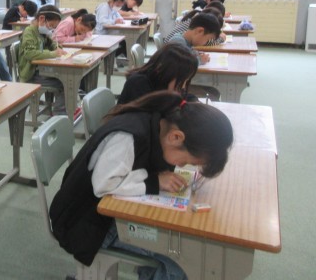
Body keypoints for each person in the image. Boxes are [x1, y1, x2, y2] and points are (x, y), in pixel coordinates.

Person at [49, 91, 234, 278]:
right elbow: (103, 184)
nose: (181, 166)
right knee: (182, 260)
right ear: (176, 137)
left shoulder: (159, 123)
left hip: (103, 214)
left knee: (184, 246)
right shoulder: (128, 137)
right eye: (186, 161)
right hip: (84, 225)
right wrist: (154, 181)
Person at [18, 5, 67, 115]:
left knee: (65, 78)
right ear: (41, 19)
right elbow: (29, 54)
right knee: (65, 83)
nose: (51, 29)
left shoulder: (42, 32)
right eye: (51, 26)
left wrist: (57, 48)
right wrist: (53, 53)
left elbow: (51, 44)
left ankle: (61, 110)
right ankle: (60, 114)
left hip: (41, 70)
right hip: (31, 74)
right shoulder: (29, 32)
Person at [117, 43, 199, 105]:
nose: (183, 86)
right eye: (181, 81)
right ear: (164, 71)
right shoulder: (138, 84)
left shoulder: (161, 81)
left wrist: (194, 101)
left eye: (186, 80)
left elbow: (184, 96)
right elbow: (155, 117)